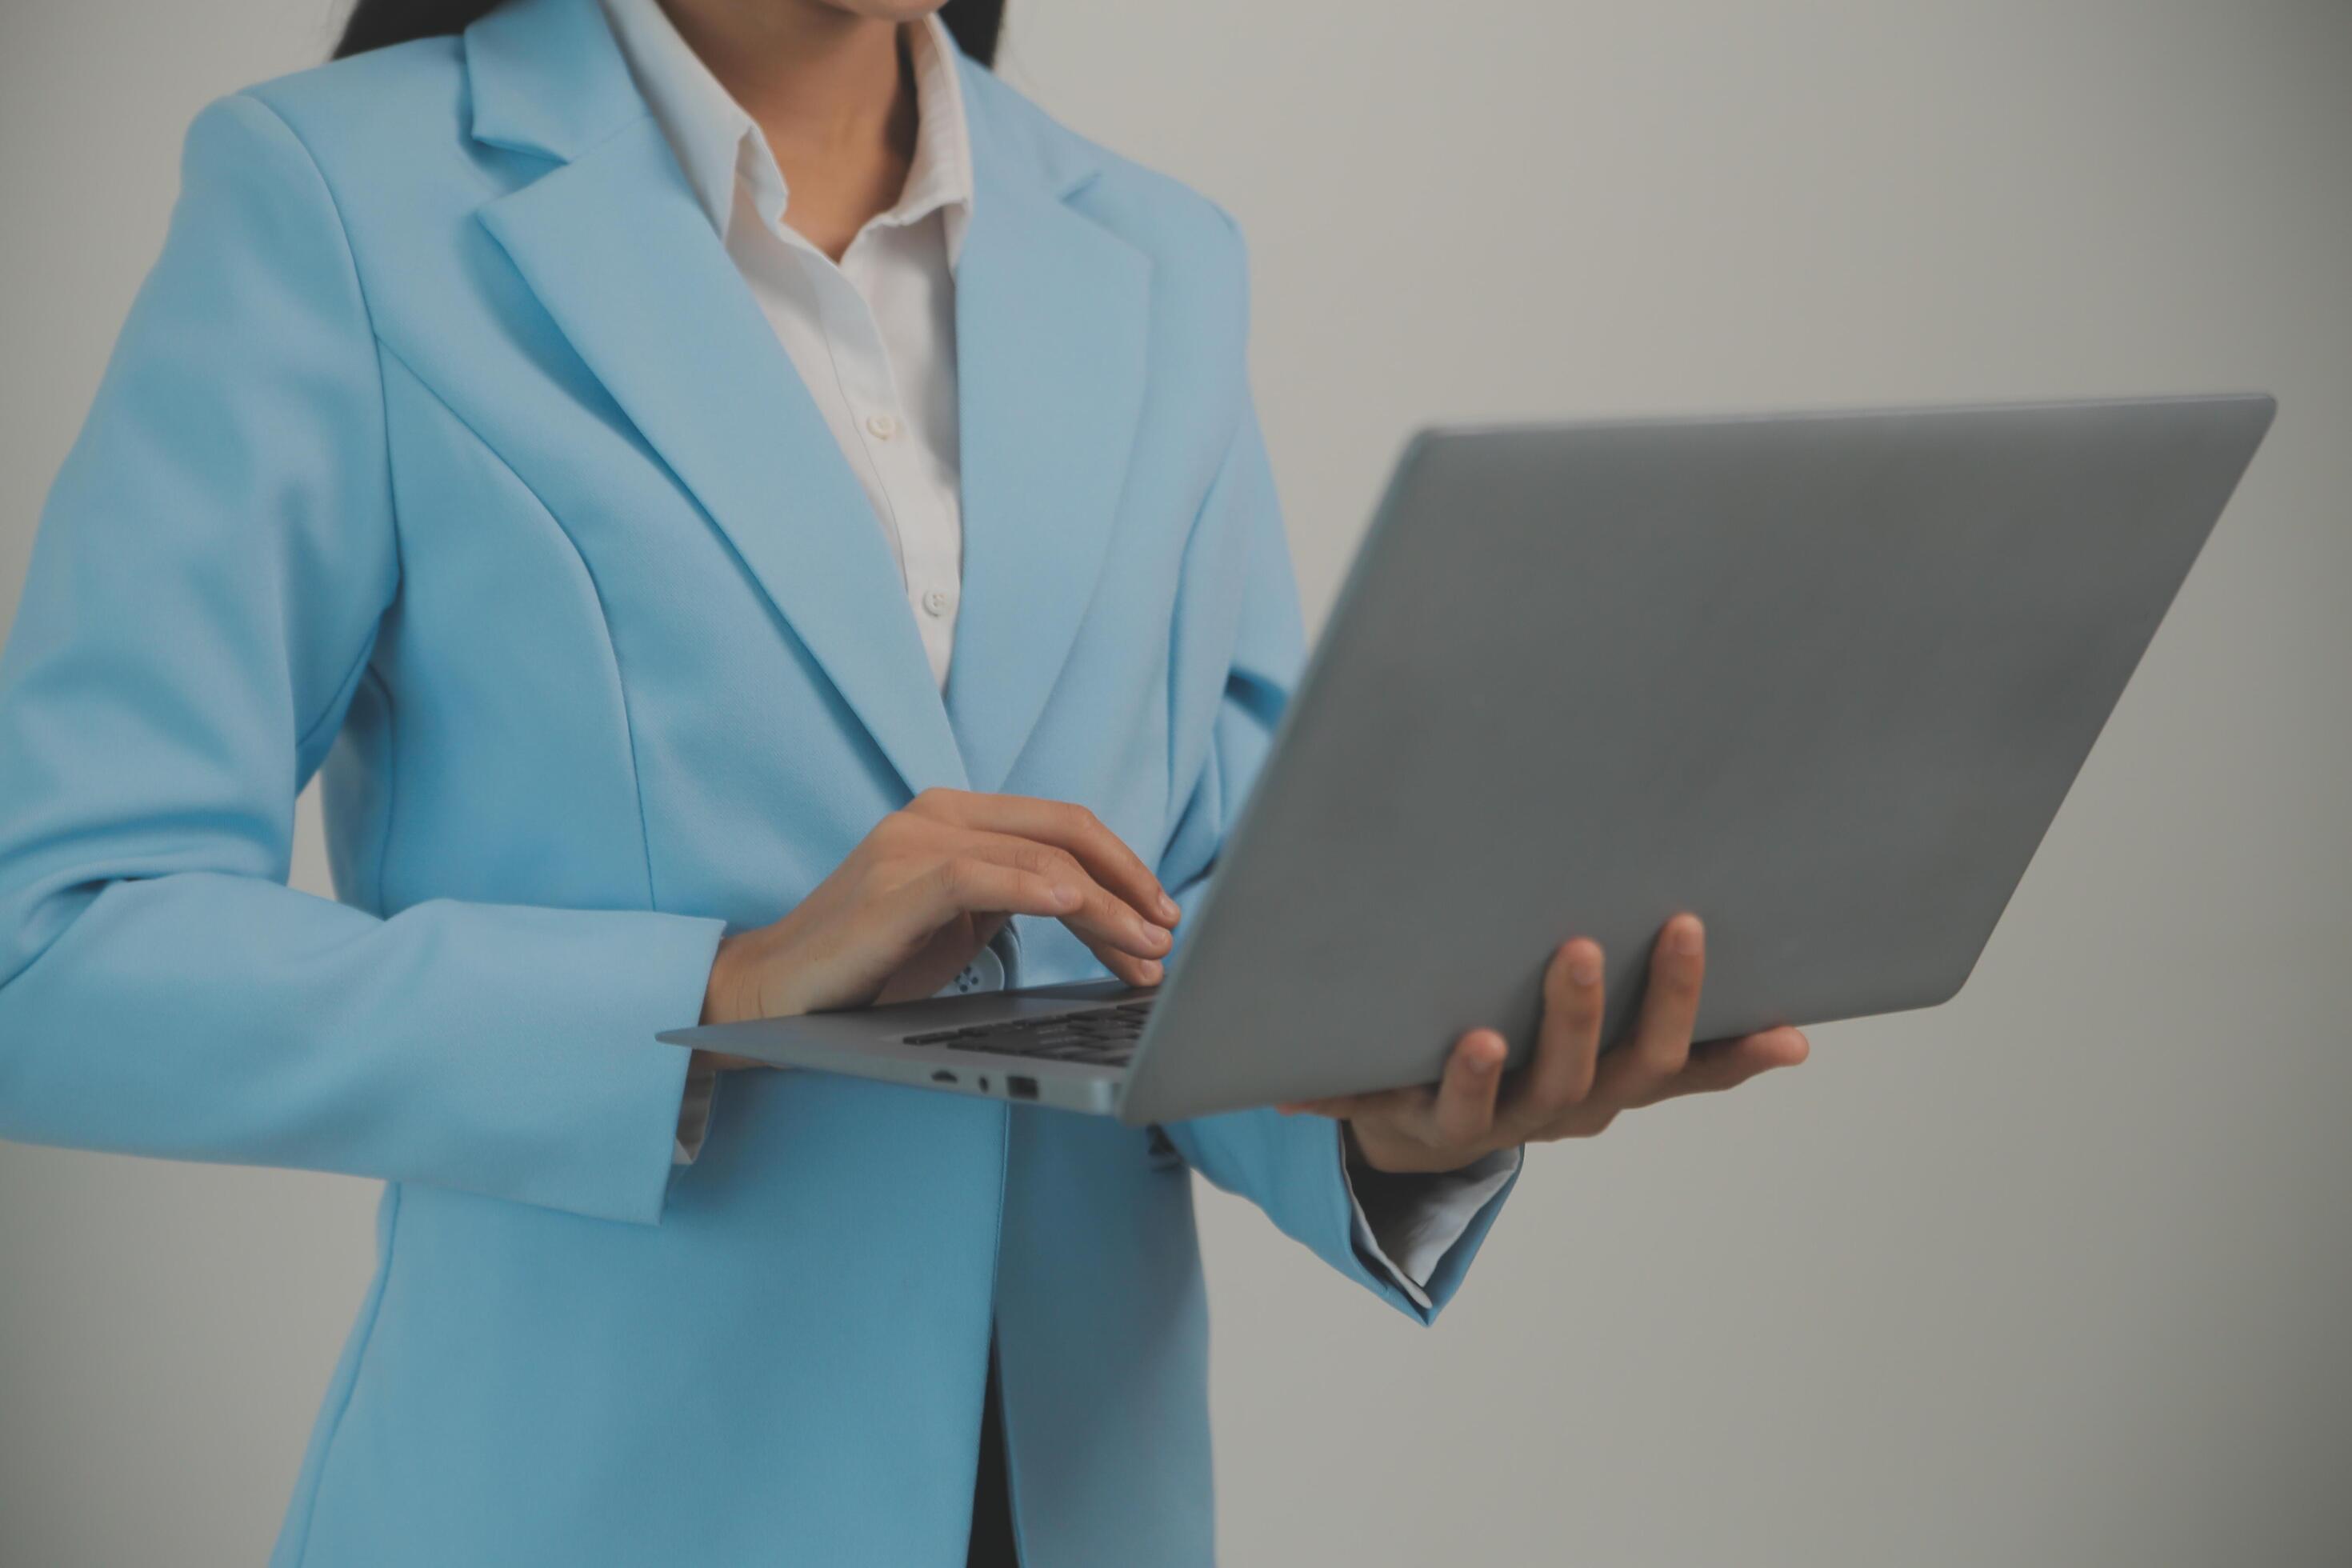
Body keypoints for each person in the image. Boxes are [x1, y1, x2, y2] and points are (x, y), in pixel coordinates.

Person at [0, 0, 1812, 1562]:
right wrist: (717, 987)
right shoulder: (341, 203)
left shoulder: (1162, 255)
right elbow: (50, 944)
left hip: (1075, 1498)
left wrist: (1399, 1119)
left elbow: (1201, 924)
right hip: (584, 1499)